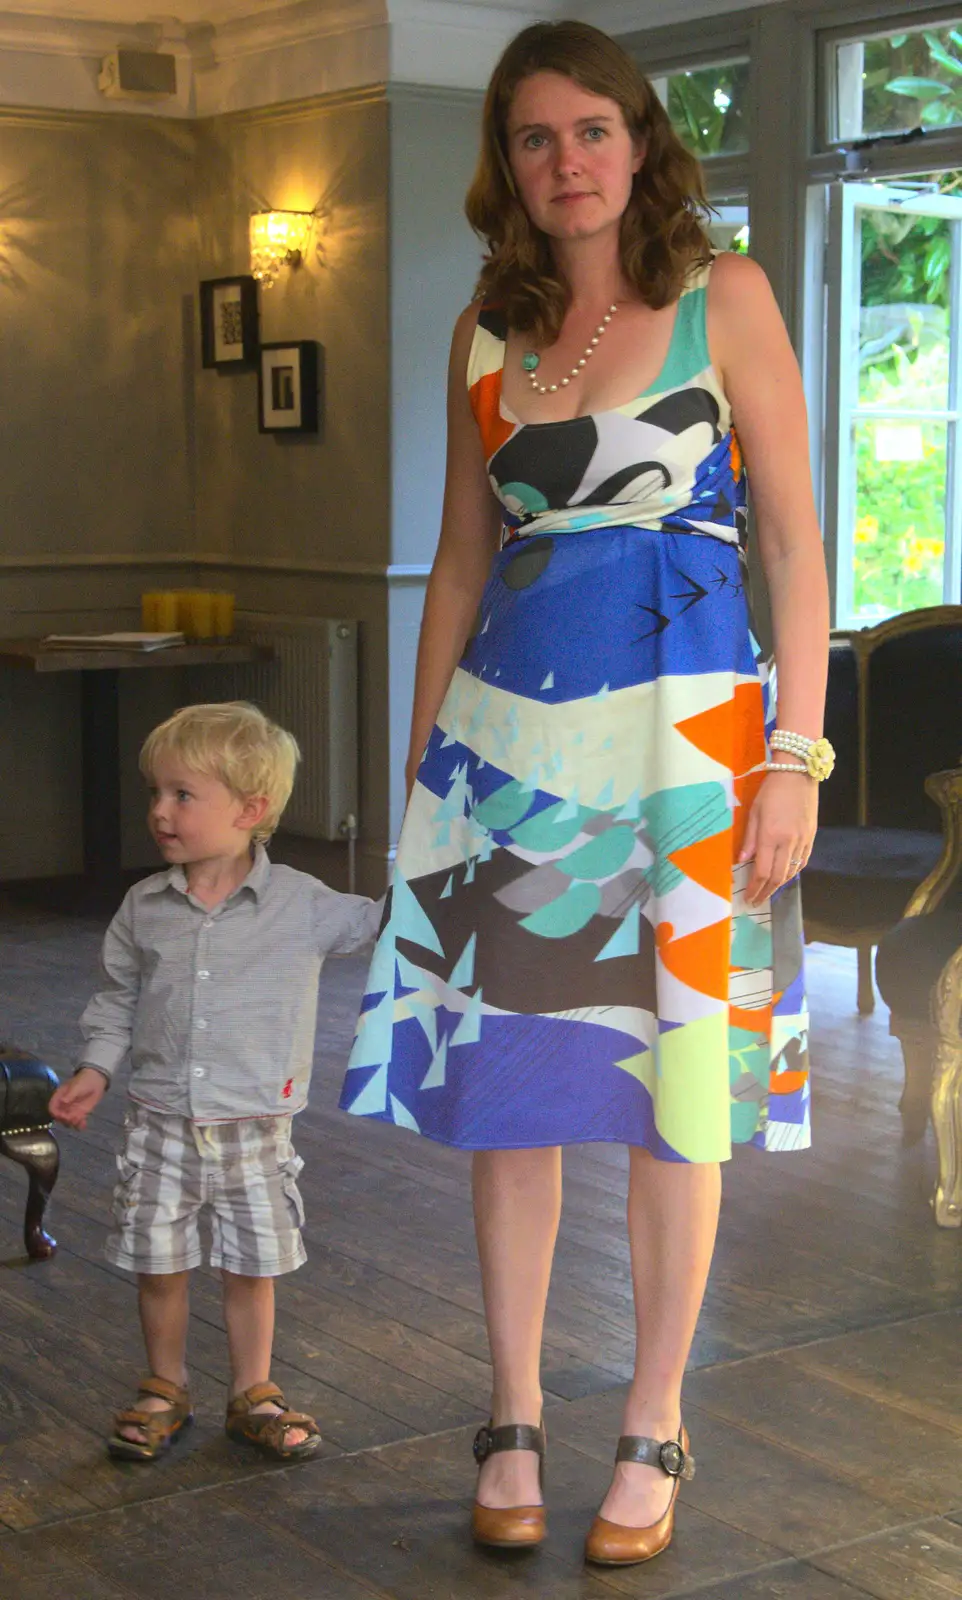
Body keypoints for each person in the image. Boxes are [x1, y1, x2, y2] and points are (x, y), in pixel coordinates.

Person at [339, 19, 832, 1567]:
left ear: (639, 139)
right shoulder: (486, 324)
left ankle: (652, 1418)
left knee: (670, 1096)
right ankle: (509, 1414)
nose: (565, 163)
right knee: (514, 1100)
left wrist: (793, 757)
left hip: (689, 750)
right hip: (508, 757)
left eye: (591, 132)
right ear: (508, 160)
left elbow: (799, 553)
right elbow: (461, 560)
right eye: (534, 138)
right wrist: (423, 769)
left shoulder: (726, 295)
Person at [50, 701, 381, 1464]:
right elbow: (118, 996)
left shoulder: (301, 902)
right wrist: (96, 1067)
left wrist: (442, 862)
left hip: (258, 1128)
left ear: (251, 809)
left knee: (250, 1266)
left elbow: (382, 924)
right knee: (158, 1263)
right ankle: (165, 1386)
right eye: (155, 794)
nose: (160, 812)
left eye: (182, 795)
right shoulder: (145, 906)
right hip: (160, 1123)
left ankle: (252, 1391)